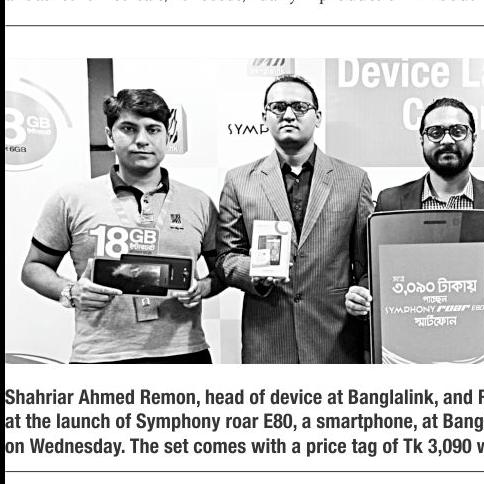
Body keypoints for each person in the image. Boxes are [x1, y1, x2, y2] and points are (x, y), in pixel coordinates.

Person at [21, 89, 223, 363]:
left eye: (153, 129)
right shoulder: (71, 198)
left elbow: (222, 271)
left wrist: (204, 288)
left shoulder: (198, 202)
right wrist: (71, 292)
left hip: (185, 352)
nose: (142, 140)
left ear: (168, 136)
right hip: (100, 356)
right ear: (109, 136)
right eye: (128, 129)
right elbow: (33, 268)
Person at [344, 97, 484, 363]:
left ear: (473, 138)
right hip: (408, 356)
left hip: (482, 356)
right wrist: (361, 296)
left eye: (458, 131)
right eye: (435, 132)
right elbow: (374, 275)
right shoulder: (390, 202)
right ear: (422, 140)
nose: (447, 140)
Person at [217, 74, 373, 364]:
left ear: (318, 117)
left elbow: (367, 262)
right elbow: (226, 257)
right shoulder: (238, 181)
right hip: (268, 339)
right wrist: (253, 271)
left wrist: (363, 291)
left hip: (336, 340)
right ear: (264, 117)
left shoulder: (354, 180)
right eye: (278, 107)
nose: (288, 114)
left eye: (300, 107)